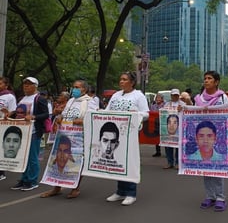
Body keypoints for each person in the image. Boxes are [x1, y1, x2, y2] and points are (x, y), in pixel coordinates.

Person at [41, 79, 97, 199]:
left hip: (79, 138)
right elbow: (64, 114)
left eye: (77, 87)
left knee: (76, 161)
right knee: (57, 161)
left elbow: (93, 118)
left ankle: (75, 188)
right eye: (73, 87)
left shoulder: (90, 102)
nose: (74, 89)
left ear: (84, 89)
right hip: (64, 135)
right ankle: (56, 188)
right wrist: (60, 117)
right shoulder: (71, 100)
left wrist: (82, 121)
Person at [187, 71, 228, 212]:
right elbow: (193, 114)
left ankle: (220, 198)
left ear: (216, 82)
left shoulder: (222, 97)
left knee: (217, 167)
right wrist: (183, 109)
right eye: (205, 78)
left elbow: (227, 115)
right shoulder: (199, 98)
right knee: (206, 168)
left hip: (218, 137)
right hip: (203, 136)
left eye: (210, 79)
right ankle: (209, 196)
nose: (206, 81)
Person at [105, 71, 149, 206]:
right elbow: (107, 111)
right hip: (115, 133)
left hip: (129, 133)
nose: (121, 81)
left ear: (132, 82)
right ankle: (120, 191)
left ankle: (131, 193)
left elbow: (146, 114)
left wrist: (135, 114)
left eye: (124, 79)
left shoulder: (138, 96)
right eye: (120, 79)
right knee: (118, 162)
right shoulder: (116, 95)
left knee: (129, 162)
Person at [11, 77, 49, 191]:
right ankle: (24, 179)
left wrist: (34, 117)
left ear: (35, 86)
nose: (26, 86)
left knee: (32, 158)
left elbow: (46, 114)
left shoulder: (39, 99)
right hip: (21, 132)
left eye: (29, 84)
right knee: (23, 157)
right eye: (25, 84)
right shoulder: (22, 99)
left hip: (33, 132)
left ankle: (32, 181)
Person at [163, 88, 185, 169]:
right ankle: (169, 162)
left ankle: (177, 163)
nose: (175, 97)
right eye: (173, 95)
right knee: (168, 145)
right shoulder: (167, 104)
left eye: (176, 95)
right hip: (169, 127)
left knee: (178, 146)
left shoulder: (182, 104)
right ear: (171, 95)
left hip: (179, 127)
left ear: (178, 96)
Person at [0, 77, 17, 180]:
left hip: (3, 125)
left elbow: (13, 111)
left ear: (6, 85)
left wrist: (7, 113)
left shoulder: (10, 96)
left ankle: (1, 173)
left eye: (0, 83)